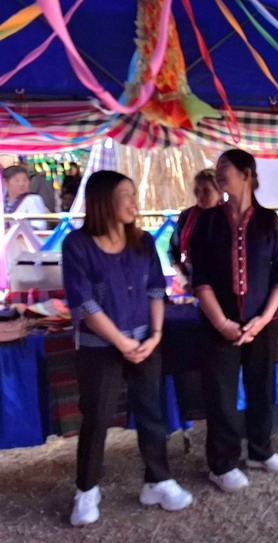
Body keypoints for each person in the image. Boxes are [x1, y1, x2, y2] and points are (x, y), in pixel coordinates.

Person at [61, 170, 193, 527]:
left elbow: (155, 289)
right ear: (104, 199)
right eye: (126, 194)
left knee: (151, 411)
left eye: (134, 194)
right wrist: (121, 342)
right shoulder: (77, 245)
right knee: (97, 417)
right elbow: (84, 303)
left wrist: (155, 335)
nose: (134, 201)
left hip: (146, 341)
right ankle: (87, 489)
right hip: (99, 346)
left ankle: (157, 481)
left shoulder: (143, 241)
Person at [190, 149, 278, 492]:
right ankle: (222, 465)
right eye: (218, 168)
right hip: (218, 325)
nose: (219, 173)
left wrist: (262, 320)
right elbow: (200, 278)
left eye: (225, 167)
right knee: (221, 394)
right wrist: (221, 323)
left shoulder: (268, 221)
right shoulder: (208, 221)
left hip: (262, 324)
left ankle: (261, 451)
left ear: (246, 173)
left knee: (261, 387)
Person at [168, 169, 222, 291]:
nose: (200, 195)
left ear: (219, 192)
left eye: (206, 191)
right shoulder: (186, 217)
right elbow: (172, 251)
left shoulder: (226, 219)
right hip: (191, 283)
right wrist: (182, 278)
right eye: (197, 190)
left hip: (220, 286)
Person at [3, 165, 49, 230]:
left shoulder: (32, 199)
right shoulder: (2, 200)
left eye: (25, 180)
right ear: (6, 182)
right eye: (17, 180)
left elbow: (39, 225)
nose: (21, 184)